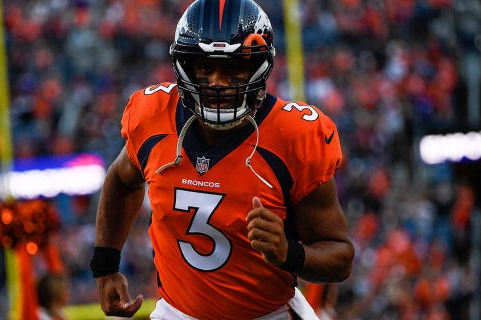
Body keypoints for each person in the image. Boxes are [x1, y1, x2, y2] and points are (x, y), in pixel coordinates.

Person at [90, 0, 355, 319]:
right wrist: (105, 265)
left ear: (258, 66)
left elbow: (340, 257)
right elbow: (121, 179)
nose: (216, 81)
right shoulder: (152, 117)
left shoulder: (293, 136)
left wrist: (290, 253)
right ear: (185, 65)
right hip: (177, 313)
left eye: (233, 68)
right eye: (205, 67)